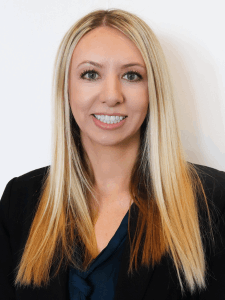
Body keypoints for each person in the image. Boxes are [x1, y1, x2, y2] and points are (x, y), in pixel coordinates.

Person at [0, 8, 225, 300]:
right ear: (66, 88)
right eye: (90, 74)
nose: (111, 95)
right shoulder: (20, 200)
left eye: (132, 75)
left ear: (153, 89)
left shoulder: (213, 202)